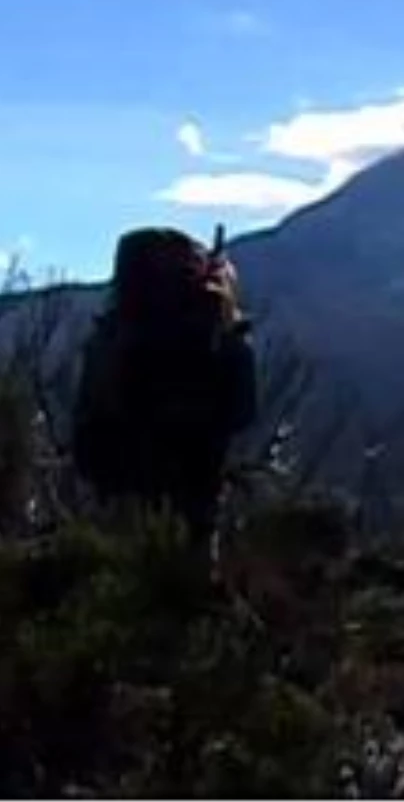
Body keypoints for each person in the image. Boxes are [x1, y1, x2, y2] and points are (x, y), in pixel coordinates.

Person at [72, 227, 257, 570]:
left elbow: (88, 431)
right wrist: (226, 324)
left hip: (116, 502)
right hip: (191, 508)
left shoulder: (111, 336)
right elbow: (241, 411)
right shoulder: (208, 334)